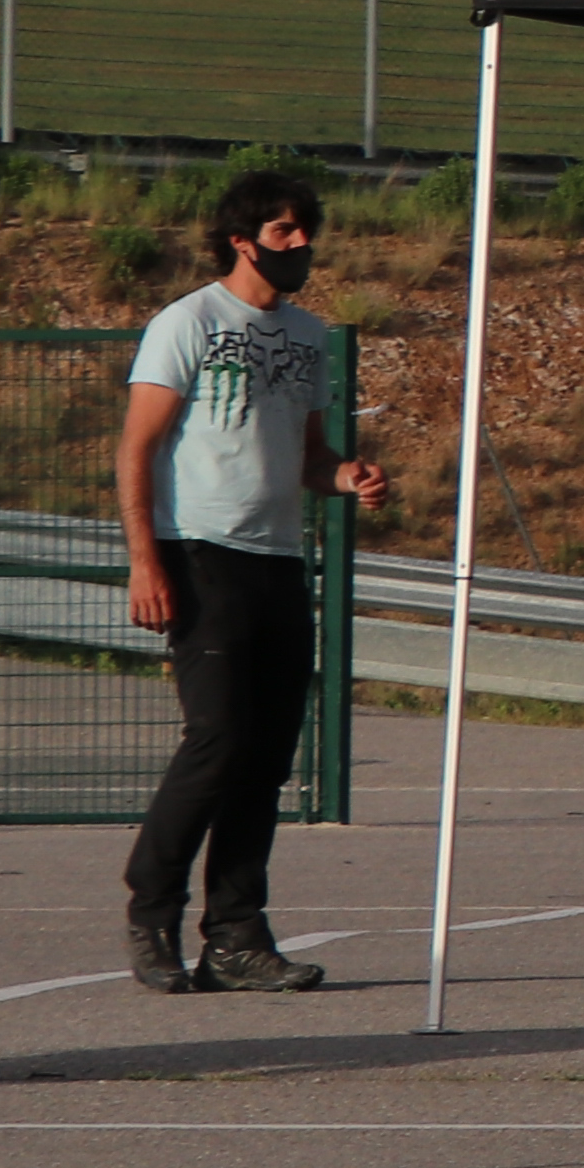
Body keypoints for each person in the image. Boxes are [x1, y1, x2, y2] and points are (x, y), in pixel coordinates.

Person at [110, 169, 384, 995]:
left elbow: (308, 457)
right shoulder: (186, 322)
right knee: (217, 737)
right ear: (242, 239)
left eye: (307, 230)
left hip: (275, 560)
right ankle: (149, 904)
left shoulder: (308, 335)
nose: (300, 244)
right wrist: (145, 559)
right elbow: (137, 447)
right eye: (282, 231)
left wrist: (346, 478)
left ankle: (235, 934)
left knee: (265, 756)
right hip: (199, 552)